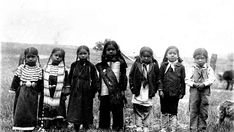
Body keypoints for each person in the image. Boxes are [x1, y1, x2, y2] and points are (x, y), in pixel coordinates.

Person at [96, 40, 128, 131]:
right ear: (105, 51)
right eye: (108, 49)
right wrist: (99, 90)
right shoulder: (102, 64)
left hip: (117, 90)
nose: (110, 51)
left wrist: (123, 89)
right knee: (104, 109)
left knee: (117, 109)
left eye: (113, 49)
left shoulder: (121, 63)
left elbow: (124, 77)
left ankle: (117, 127)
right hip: (104, 90)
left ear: (117, 50)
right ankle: (104, 126)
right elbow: (99, 78)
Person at [10, 47, 43, 131]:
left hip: (33, 92)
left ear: (37, 57)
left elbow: (40, 81)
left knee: (31, 109)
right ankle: (20, 125)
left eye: (33, 57)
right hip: (22, 91)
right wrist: (13, 88)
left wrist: (39, 91)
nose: (31, 59)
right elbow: (16, 78)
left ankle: (30, 126)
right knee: (21, 108)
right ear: (25, 58)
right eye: (28, 57)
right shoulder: (22, 68)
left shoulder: (39, 69)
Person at [67, 45, 99, 132]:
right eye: (80, 53)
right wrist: (68, 88)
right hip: (75, 91)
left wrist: (93, 91)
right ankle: (76, 125)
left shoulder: (91, 66)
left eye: (85, 53)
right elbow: (69, 78)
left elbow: (95, 80)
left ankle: (86, 125)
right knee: (75, 108)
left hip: (86, 91)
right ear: (77, 55)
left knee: (86, 107)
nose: (83, 55)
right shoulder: (74, 65)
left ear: (88, 54)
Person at [129, 46, 160, 132]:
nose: (146, 58)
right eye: (144, 56)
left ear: (151, 56)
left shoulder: (154, 65)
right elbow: (131, 76)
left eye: (148, 56)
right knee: (137, 107)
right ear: (140, 56)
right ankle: (138, 125)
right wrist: (132, 87)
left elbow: (157, 77)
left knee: (147, 108)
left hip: (148, 89)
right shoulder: (136, 64)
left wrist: (155, 89)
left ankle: (146, 125)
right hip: (138, 89)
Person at [38, 48, 70, 131]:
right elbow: (41, 80)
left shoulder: (64, 70)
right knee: (46, 109)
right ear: (51, 55)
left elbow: (66, 81)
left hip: (59, 93)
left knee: (59, 109)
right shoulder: (45, 68)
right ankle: (46, 125)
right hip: (47, 92)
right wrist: (42, 89)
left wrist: (65, 91)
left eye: (60, 56)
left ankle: (59, 125)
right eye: (56, 55)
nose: (58, 57)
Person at [186, 48, 215, 132]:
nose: (200, 60)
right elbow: (187, 79)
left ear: (206, 59)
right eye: (197, 58)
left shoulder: (209, 69)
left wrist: (204, 84)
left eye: (202, 58)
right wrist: (194, 84)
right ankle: (193, 128)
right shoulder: (192, 68)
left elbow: (212, 79)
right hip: (194, 92)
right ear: (194, 59)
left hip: (205, 92)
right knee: (193, 109)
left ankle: (202, 128)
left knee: (203, 110)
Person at [158, 46, 186, 132]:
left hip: (175, 93)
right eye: (170, 53)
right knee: (164, 110)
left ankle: (173, 128)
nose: (172, 55)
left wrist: (182, 92)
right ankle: (164, 127)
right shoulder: (163, 65)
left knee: (173, 111)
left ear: (178, 56)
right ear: (166, 55)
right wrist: (160, 90)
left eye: (174, 53)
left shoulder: (181, 67)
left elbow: (183, 80)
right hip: (164, 93)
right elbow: (160, 78)